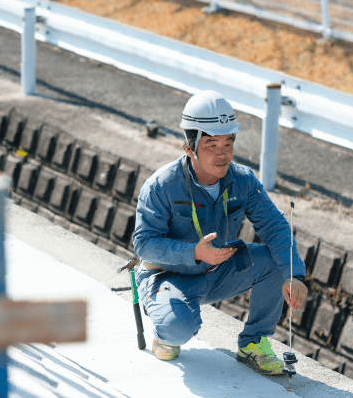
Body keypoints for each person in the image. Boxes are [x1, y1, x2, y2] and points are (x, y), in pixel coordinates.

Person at [132, 90, 308, 375]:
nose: (222, 153)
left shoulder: (243, 180)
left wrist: (294, 274)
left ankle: (253, 343)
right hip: (168, 276)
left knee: (276, 260)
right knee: (176, 330)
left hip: (218, 270)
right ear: (189, 148)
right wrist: (193, 252)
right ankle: (165, 328)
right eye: (211, 144)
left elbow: (275, 226)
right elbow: (143, 243)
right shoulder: (161, 185)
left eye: (228, 143)